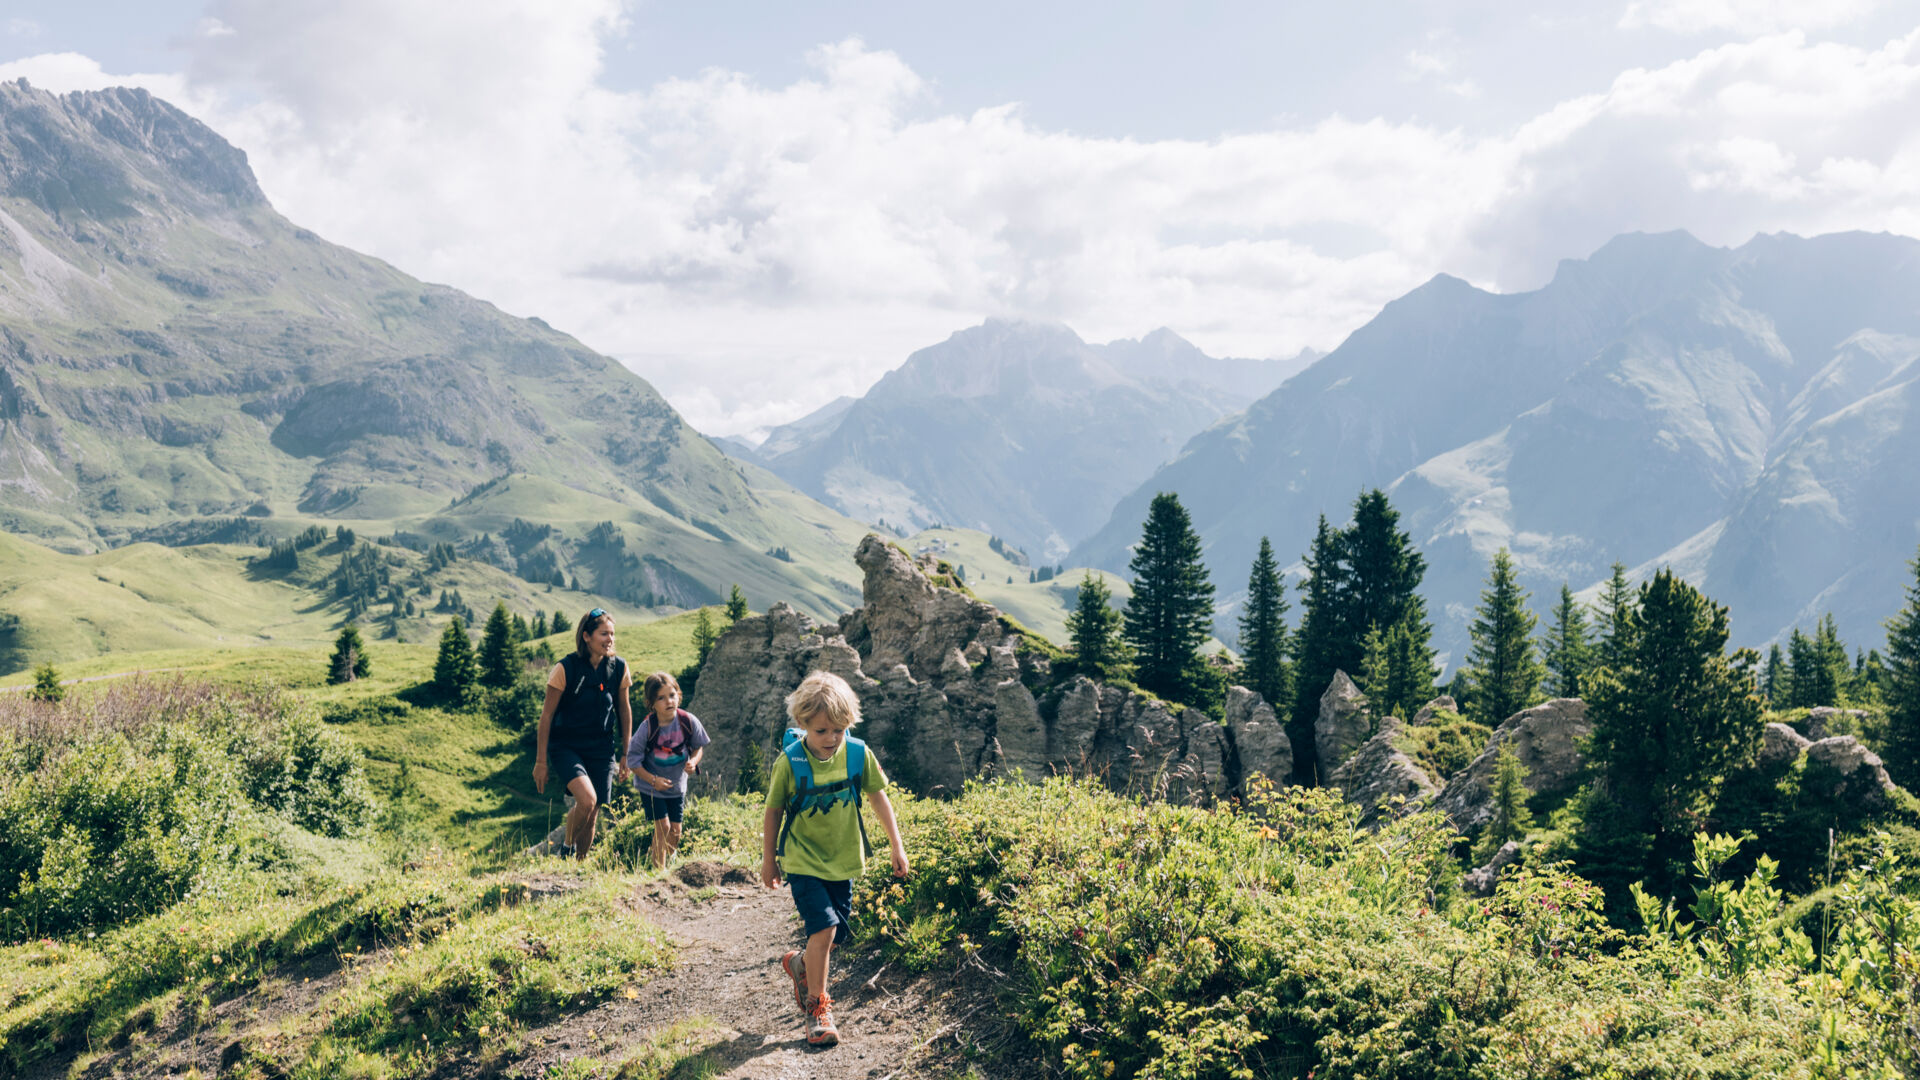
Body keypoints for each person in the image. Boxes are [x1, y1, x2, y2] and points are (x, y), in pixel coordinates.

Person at [761, 671, 908, 1048]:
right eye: (822, 731)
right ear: (803, 724)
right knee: (823, 930)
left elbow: (878, 797)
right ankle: (818, 1010)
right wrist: (769, 860)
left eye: (838, 730)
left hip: (843, 860)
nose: (831, 739)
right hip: (802, 860)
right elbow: (774, 811)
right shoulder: (789, 762)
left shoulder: (858, 754)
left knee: (835, 935)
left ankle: (800, 965)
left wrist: (896, 844)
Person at [533, 608, 633, 861]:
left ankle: (578, 866)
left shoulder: (619, 668)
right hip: (567, 746)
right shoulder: (565, 668)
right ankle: (567, 848)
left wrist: (626, 753)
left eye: (612, 634)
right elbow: (546, 717)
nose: (609, 639)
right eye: (603, 634)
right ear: (586, 636)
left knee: (592, 813)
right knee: (588, 801)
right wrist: (541, 762)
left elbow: (624, 709)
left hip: (602, 747)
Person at [625, 671, 710, 869]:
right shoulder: (647, 728)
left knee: (676, 831)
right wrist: (653, 780)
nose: (668, 701)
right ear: (651, 703)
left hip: (676, 786)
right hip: (651, 787)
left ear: (678, 696)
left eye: (672, 695)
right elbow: (632, 761)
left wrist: (694, 761)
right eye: (661, 698)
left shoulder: (688, 721)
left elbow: (699, 747)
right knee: (663, 827)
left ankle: (664, 857)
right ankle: (658, 872)